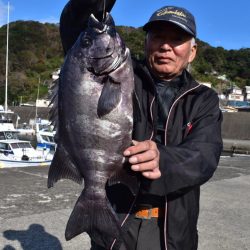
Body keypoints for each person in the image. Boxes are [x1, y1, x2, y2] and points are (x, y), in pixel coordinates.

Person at [59, 2, 223, 250]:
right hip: (116, 227)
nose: (165, 46)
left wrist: (163, 159)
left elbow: (205, 155)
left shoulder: (203, 99)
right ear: (146, 42)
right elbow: (77, 27)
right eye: (157, 36)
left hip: (174, 235)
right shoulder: (123, 73)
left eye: (177, 39)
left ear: (192, 52)